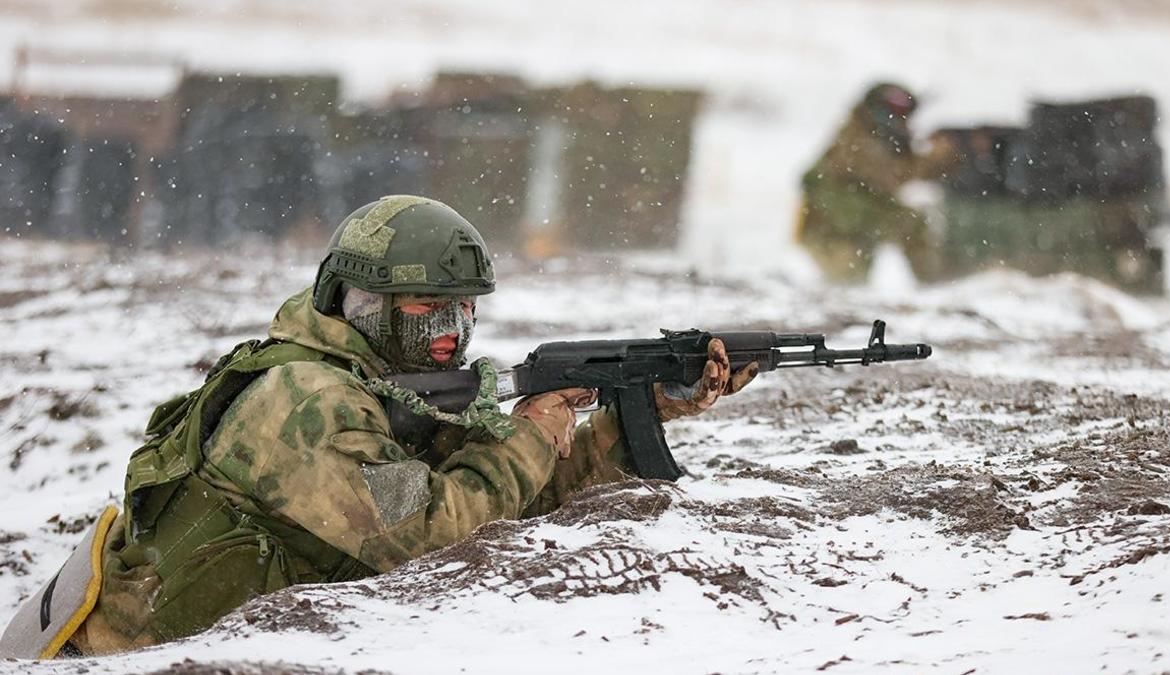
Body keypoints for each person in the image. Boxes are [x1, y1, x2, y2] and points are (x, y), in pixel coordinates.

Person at [2, 196, 755, 658]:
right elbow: (432, 533)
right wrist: (525, 433)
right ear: (364, 304)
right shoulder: (305, 403)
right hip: (130, 657)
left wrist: (643, 409)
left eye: (464, 314)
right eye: (430, 315)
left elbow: (512, 490)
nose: (451, 338)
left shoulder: (375, 384)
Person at [796, 82, 941, 282]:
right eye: (895, 111)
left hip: (853, 223)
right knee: (845, 283)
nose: (901, 120)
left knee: (851, 282)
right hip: (833, 228)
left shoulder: (880, 137)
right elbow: (874, 175)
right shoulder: (854, 136)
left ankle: (934, 284)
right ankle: (934, 284)